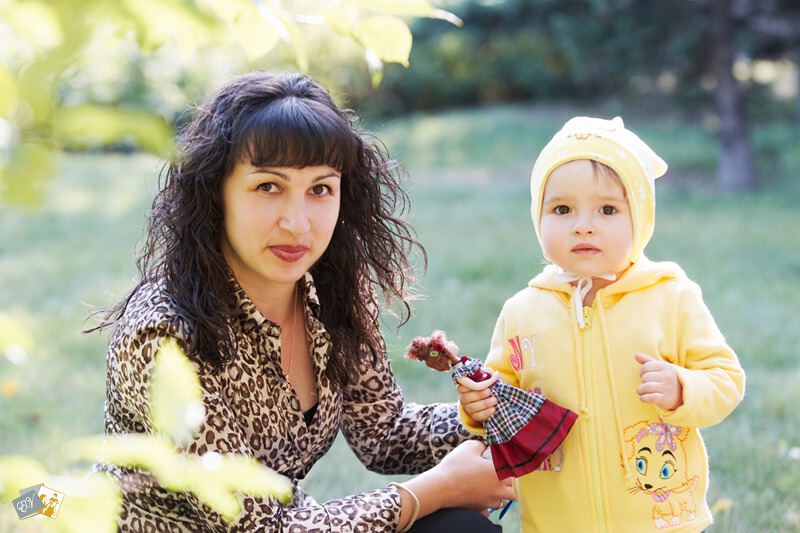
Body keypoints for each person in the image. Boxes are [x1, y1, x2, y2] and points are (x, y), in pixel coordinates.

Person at [89, 71, 513, 532]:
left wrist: (485, 411)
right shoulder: (163, 334)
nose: (298, 223)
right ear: (215, 191)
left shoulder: (331, 290)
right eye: (268, 187)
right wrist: (433, 490)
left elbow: (384, 434)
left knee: (459, 527)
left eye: (320, 189)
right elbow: (260, 528)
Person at [458, 116, 745, 532]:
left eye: (607, 209)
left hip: (658, 517)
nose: (583, 225)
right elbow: (500, 395)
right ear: (538, 217)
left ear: (640, 218)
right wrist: (478, 407)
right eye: (562, 209)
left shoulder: (672, 298)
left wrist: (683, 387)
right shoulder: (521, 312)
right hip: (557, 520)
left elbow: (726, 379)